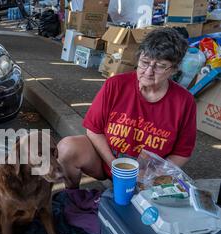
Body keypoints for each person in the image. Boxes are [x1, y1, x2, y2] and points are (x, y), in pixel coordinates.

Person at [58, 27, 197, 189]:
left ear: (174, 69)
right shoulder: (115, 85)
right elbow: (94, 130)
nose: (148, 72)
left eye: (160, 66)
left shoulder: (184, 101)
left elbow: (182, 152)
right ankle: (72, 196)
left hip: (148, 175)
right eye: (145, 62)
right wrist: (114, 165)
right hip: (106, 161)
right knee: (67, 148)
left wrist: (153, 175)